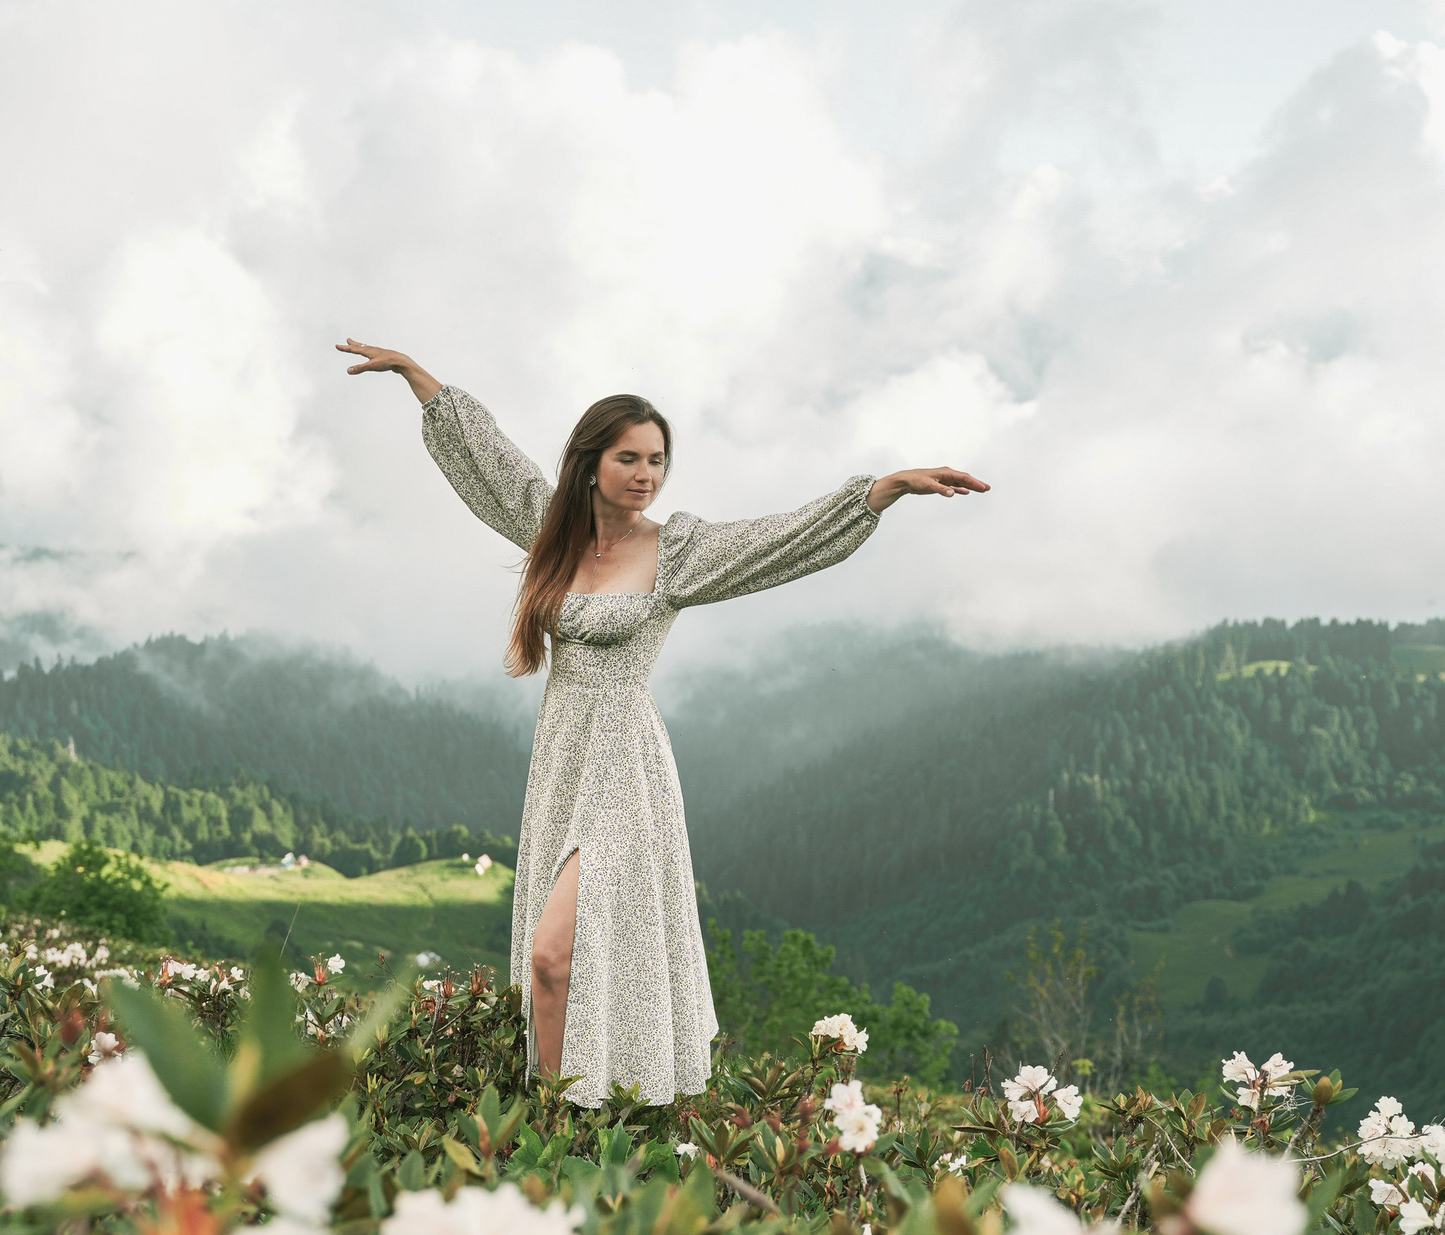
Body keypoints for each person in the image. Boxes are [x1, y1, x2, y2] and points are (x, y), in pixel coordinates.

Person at [337, 339, 988, 1106]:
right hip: (561, 759)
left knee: (555, 954)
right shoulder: (552, 530)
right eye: (629, 459)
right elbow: (490, 463)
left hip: (624, 766)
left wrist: (883, 490)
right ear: (590, 464)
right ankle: (548, 1116)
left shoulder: (675, 551)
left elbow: (777, 540)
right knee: (556, 961)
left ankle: (576, 1109)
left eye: (657, 461)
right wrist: (420, 378)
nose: (646, 475)